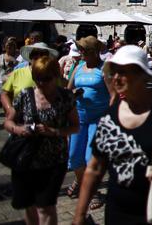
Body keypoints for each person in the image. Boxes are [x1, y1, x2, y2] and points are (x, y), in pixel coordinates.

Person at [72, 45, 152, 224]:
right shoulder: (110, 116)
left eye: (123, 72)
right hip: (119, 211)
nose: (116, 78)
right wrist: (79, 215)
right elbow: (94, 168)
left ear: (142, 74)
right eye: (113, 72)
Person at [4, 56, 79, 225]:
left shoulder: (66, 97)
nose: (41, 83)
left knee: (45, 207)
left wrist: (53, 131)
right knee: (29, 205)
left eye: (46, 78)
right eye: (37, 78)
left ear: (56, 76)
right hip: (26, 160)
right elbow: (8, 121)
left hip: (53, 161)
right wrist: (18, 129)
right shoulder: (25, 95)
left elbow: (75, 127)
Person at [66, 36, 113, 206]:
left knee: (90, 158)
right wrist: (73, 94)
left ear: (93, 52)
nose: (81, 53)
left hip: (98, 119)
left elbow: (112, 95)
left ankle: (92, 192)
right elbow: (68, 90)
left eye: (83, 50)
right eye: (81, 50)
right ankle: (81, 181)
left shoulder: (104, 68)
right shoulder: (78, 67)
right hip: (78, 118)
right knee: (73, 157)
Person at [1, 42, 59, 115]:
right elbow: (5, 94)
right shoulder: (17, 73)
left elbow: (61, 92)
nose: (39, 56)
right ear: (30, 56)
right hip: (21, 119)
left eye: (43, 54)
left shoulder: (53, 74)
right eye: (35, 53)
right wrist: (9, 108)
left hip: (50, 118)